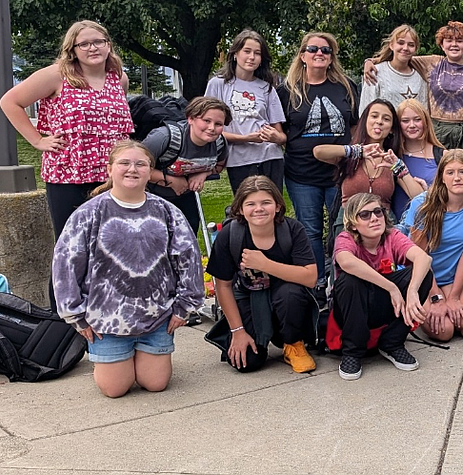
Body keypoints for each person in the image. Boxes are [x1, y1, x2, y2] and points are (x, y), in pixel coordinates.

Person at [51, 140, 202, 398]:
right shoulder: (88, 214)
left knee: (155, 383)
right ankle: (117, 360)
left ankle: (144, 358)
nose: (132, 169)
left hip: (157, 318)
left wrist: (185, 306)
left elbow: (188, 258)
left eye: (140, 164)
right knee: (115, 389)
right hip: (107, 320)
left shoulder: (167, 211)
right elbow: (66, 263)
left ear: (149, 171)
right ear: (110, 170)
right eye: (124, 163)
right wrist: (75, 314)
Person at [0, 20, 133, 239]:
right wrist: (37, 140)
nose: (93, 48)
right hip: (69, 172)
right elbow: (10, 102)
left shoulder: (118, 78)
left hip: (111, 172)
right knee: (72, 242)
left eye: (98, 42)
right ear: (72, 49)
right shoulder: (57, 75)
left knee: (112, 239)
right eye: (84, 44)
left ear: (108, 45)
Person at [204, 176, 318, 374]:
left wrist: (265, 264)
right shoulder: (229, 236)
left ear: (278, 206)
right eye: (250, 204)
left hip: (285, 297)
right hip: (249, 296)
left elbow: (310, 277)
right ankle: (256, 336)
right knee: (247, 362)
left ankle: (293, 343)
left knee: (291, 293)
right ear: (239, 209)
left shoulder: (292, 230)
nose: (259, 208)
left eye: (266, 202)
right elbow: (223, 286)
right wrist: (237, 331)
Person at [397, 149, 463, 342]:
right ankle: (414, 304)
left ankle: (448, 298)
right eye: (450, 172)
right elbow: (418, 258)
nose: (457, 178)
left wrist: (452, 298)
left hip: (453, 275)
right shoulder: (423, 205)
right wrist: (436, 297)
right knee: (444, 331)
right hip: (423, 276)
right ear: (442, 177)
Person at [279, 31, 358, 283]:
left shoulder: (346, 86)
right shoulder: (287, 90)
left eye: (326, 50)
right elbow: (281, 130)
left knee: (343, 228)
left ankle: (341, 280)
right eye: (313, 49)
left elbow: (355, 127)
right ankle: (316, 281)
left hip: (340, 172)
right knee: (310, 230)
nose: (319, 54)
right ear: (303, 55)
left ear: (332, 57)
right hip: (301, 173)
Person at [332, 193, 435, 381]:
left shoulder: (391, 235)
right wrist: (391, 288)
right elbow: (345, 261)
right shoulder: (346, 238)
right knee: (349, 280)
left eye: (377, 212)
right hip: (353, 308)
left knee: (423, 275)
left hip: (383, 305)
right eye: (365, 215)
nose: (374, 219)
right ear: (353, 224)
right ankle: (352, 352)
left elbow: (424, 258)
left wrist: (411, 290)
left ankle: (392, 343)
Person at [204, 29, 287, 192]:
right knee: (248, 208)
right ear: (235, 54)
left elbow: (282, 136)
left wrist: (276, 137)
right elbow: (209, 131)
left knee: (273, 208)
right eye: (247, 51)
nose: (252, 57)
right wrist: (245, 138)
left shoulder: (267, 88)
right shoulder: (218, 85)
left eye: (257, 53)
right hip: (240, 161)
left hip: (271, 158)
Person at [143, 96, 231, 234]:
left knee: (188, 235)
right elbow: (135, 168)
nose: (211, 128)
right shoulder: (164, 137)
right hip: (151, 196)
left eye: (218, 124)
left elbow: (219, 166)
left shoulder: (219, 143)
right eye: (206, 121)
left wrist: (204, 173)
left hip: (186, 197)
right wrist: (170, 180)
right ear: (190, 119)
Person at [313, 99, 423, 208]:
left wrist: (399, 167)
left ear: (391, 129)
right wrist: (357, 151)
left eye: (386, 119)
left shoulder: (391, 159)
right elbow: (318, 152)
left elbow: (420, 198)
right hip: (349, 221)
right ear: (365, 121)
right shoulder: (350, 156)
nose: (379, 122)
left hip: (381, 222)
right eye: (374, 116)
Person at [410, 21, 463, 152]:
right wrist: (371, 62)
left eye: (460, 41)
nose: (454, 44)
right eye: (449, 40)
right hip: (438, 130)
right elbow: (401, 57)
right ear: (442, 45)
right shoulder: (432, 63)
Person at [391, 98, 445, 219]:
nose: (412, 125)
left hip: (432, 223)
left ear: (425, 121)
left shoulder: (442, 155)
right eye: (405, 121)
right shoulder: (393, 155)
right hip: (398, 229)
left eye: (417, 119)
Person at [359, 24, 429, 112]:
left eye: (411, 45)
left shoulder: (420, 76)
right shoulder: (376, 72)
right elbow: (365, 110)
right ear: (391, 45)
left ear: (415, 49)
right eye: (400, 43)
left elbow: (423, 111)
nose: (405, 48)